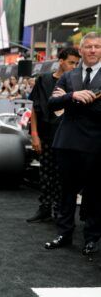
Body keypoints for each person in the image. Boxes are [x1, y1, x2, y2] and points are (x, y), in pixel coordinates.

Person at [45, 32, 101, 255]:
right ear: (81, 50)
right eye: (89, 46)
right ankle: (64, 233)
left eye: (97, 46)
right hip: (67, 143)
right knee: (66, 192)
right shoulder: (69, 76)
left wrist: (72, 101)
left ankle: (91, 238)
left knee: (95, 194)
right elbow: (52, 103)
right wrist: (73, 96)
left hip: (96, 145)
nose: (93, 50)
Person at [27, 48, 80, 223]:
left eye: (77, 63)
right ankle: (45, 208)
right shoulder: (44, 80)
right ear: (61, 61)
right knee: (45, 173)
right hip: (46, 135)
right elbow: (35, 109)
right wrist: (34, 134)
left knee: (63, 176)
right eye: (71, 62)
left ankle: (59, 210)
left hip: (68, 137)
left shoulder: (77, 83)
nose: (74, 66)